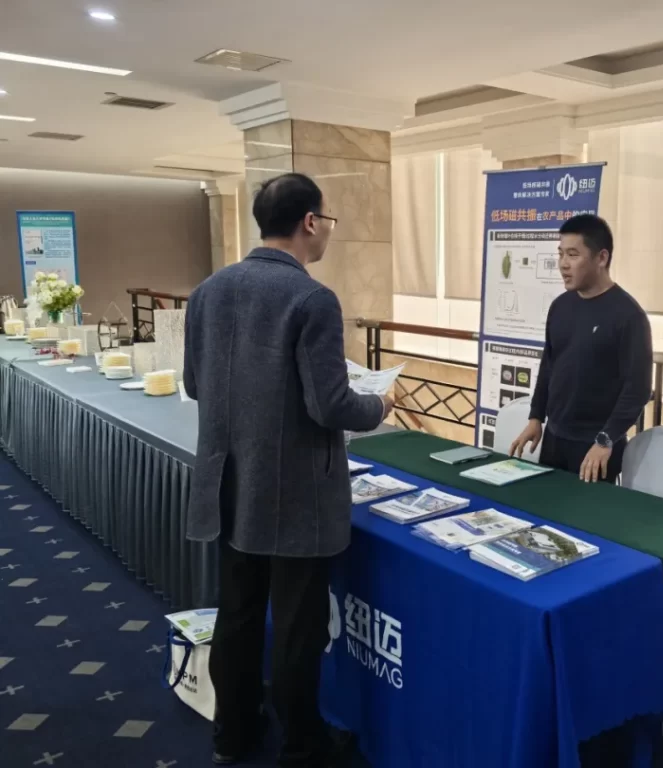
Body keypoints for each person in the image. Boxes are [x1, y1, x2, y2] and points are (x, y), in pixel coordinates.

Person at [183, 172, 393, 767]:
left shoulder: (207, 291)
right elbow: (330, 406)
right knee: (300, 628)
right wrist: (380, 404)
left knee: (239, 613)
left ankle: (233, 733)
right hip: (294, 494)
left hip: (226, 486)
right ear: (309, 222)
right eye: (327, 221)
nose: (327, 232)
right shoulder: (311, 299)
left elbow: (195, 384)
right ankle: (302, 746)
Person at [510, 214, 652, 483]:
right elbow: (549, 364)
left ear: (602, 258)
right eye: (561, 254)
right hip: (554, 439)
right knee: (547, 507)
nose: (563, 264)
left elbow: (637, 390)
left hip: (596, 448)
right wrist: (536, 417)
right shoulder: (560, 306)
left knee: (586, 510)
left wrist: (605, 440)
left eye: (573, 255)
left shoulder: (629, 316)